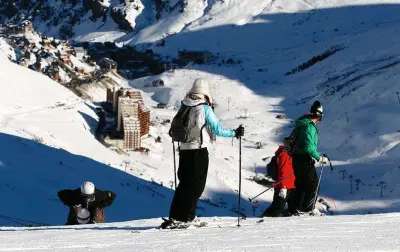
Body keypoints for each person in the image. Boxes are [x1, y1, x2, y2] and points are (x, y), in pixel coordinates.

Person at [163, 78, 244, 228]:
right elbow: (218, 130)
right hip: (198, 151)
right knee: (196, 186)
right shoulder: (204, 108)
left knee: (184, 184)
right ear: (206, 93)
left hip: (184, 150)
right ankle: (186, 217)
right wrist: (235, 133)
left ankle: (176, 216)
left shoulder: (185, 104)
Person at [289, 101, 329, 215]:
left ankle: (295, 209)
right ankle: (308, 209)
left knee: (301, 184)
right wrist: (319, 158)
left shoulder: (303, 124)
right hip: (304, 159)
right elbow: (308, 147)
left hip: (297, 158)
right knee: (313, 184)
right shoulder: (309, 127)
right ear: (319, 115)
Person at [261, 138, 296, 217]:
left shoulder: (288, 154)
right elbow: (283, 171)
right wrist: (283, 187)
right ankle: (263, 219)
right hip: (284, 186)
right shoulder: (284, 155)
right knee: (277, 208)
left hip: (290, 186)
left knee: (292, 209)